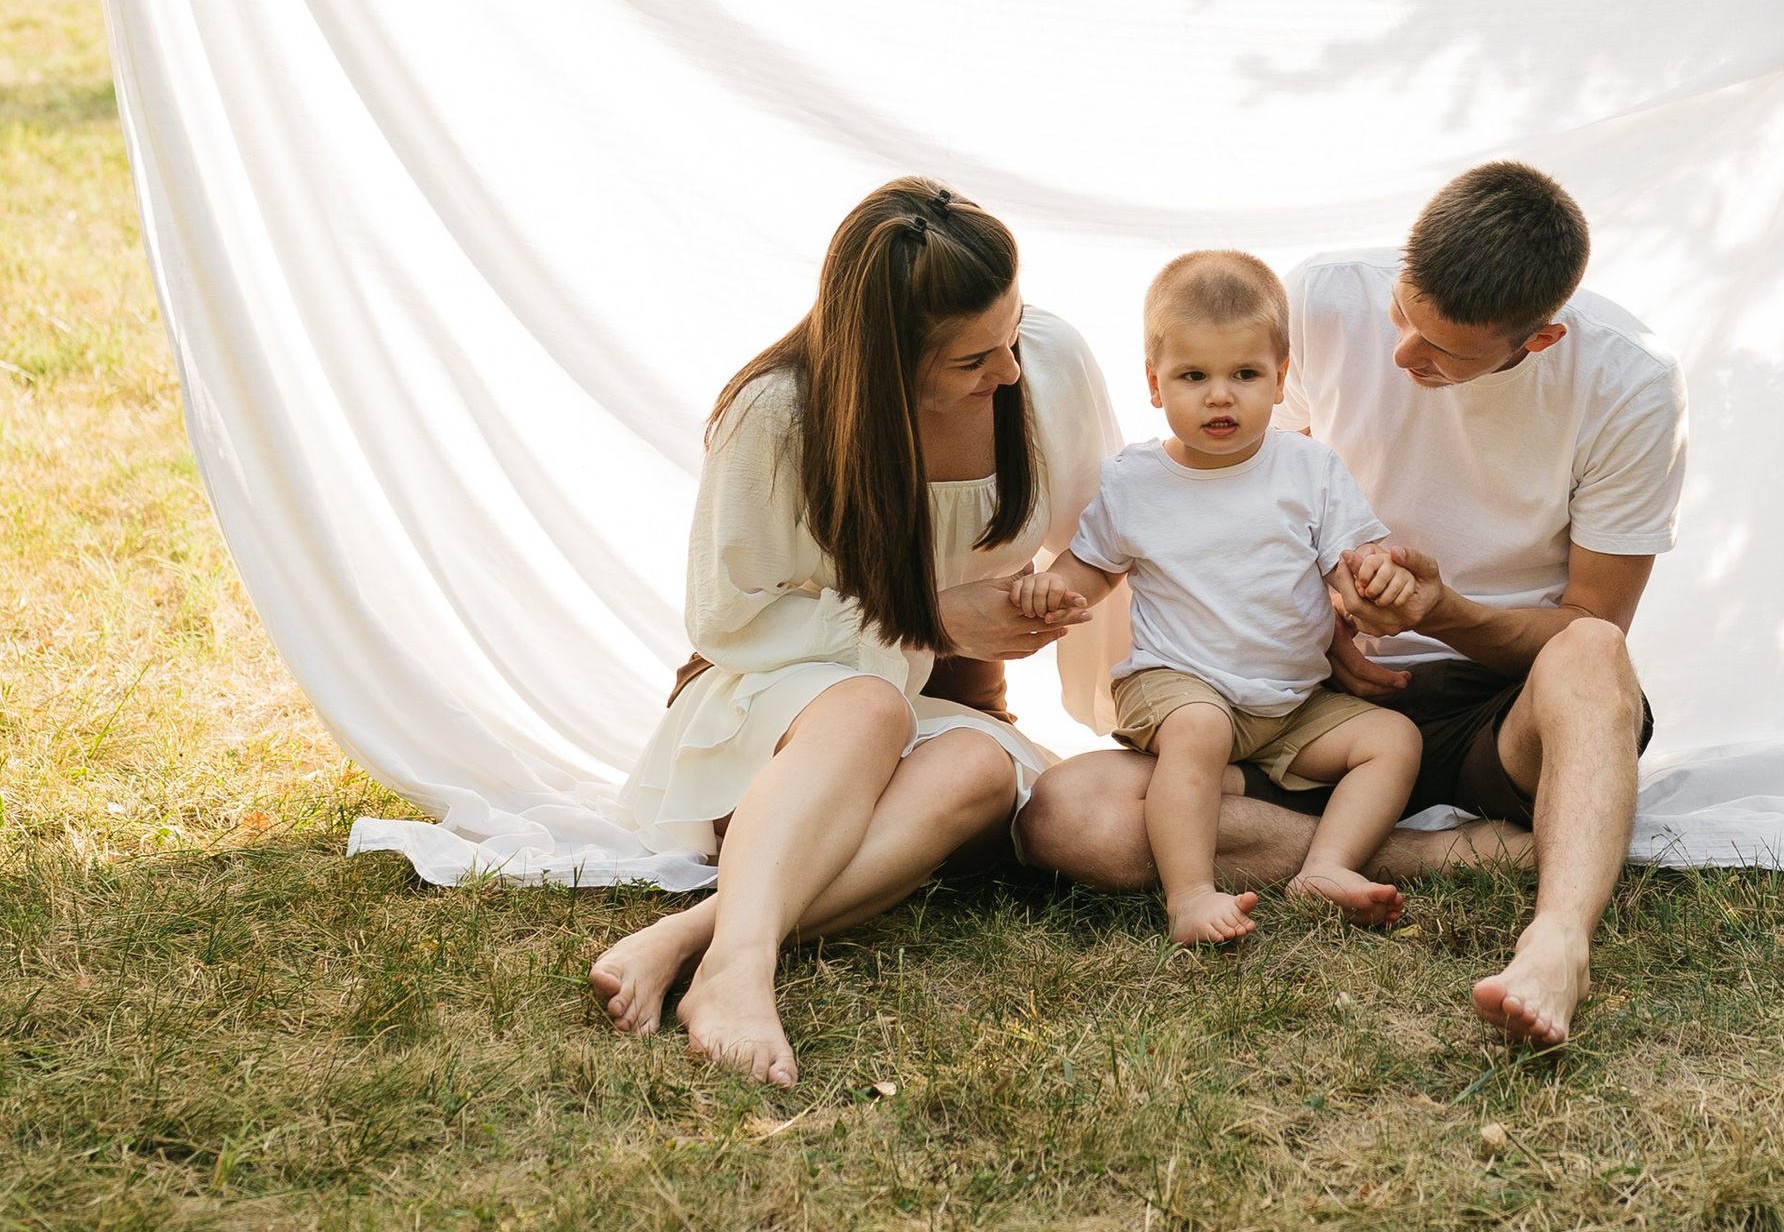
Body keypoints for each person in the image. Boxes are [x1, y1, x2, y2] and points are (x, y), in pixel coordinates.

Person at [1018, 162, 1685, 1052]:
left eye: (1444, 351)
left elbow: (1587, 623)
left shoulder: (1629, 383)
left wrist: (1440, 611)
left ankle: (1556, 939)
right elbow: (1256, 510)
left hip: (1493, 703)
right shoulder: (1325, 298)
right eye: (1404, 313)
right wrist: (1331, 620)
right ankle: (1457, 852)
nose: (1405, 354)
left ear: (1539, 341)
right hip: (1292, 702)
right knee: (1071, 815)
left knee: (1597, 655)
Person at [590, 178, 1116, 1086]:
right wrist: (932, 618)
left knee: (982, 767)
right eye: (970, 363)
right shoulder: (779, 413)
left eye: (1014, 331)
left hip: (927, 706)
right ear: (888, 364)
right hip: (770, 701)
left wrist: (1058, 603)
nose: (1011, 373)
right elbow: (728, 617)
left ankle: (696, 936)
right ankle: (741, 974)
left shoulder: (1048, 363)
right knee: (869, 706)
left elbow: (1107, 526)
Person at [1007, 249, 1424, 948]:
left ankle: (1326, 865)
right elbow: (1090, 570)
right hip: (1177, 685)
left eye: (1245, 374)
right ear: (1153, 383)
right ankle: (1191, 896)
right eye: (1193, 376)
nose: (1220, 395)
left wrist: (1379, 576)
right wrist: (1054, 589)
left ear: (1281, 377)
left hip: (1290, 700)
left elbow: (1353, 565)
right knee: (1199, 730)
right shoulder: (1134, 481)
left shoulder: (1309, 467)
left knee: (1393, 739)